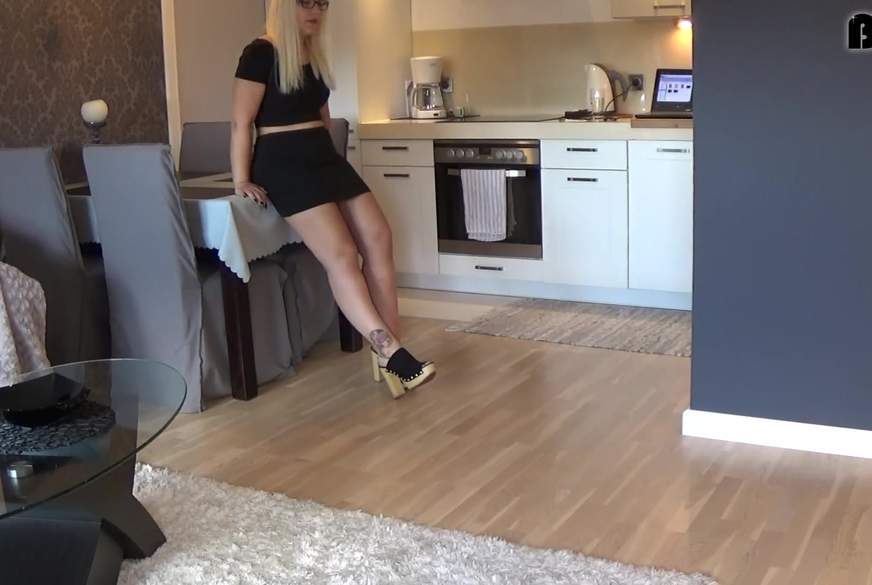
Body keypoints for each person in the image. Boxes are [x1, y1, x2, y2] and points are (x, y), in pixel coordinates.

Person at [230, 0, 435, 398]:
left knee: (379, 237)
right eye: (305, 3)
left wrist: (334, 162)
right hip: (283, 162)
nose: (316, 11)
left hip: (322, 157)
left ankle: (393, 350)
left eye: (322, 4)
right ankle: (390, 351)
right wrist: (241, 178)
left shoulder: (312, 52)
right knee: (341, 254)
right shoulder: (259, 53)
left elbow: (322, 117)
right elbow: (241, 122)